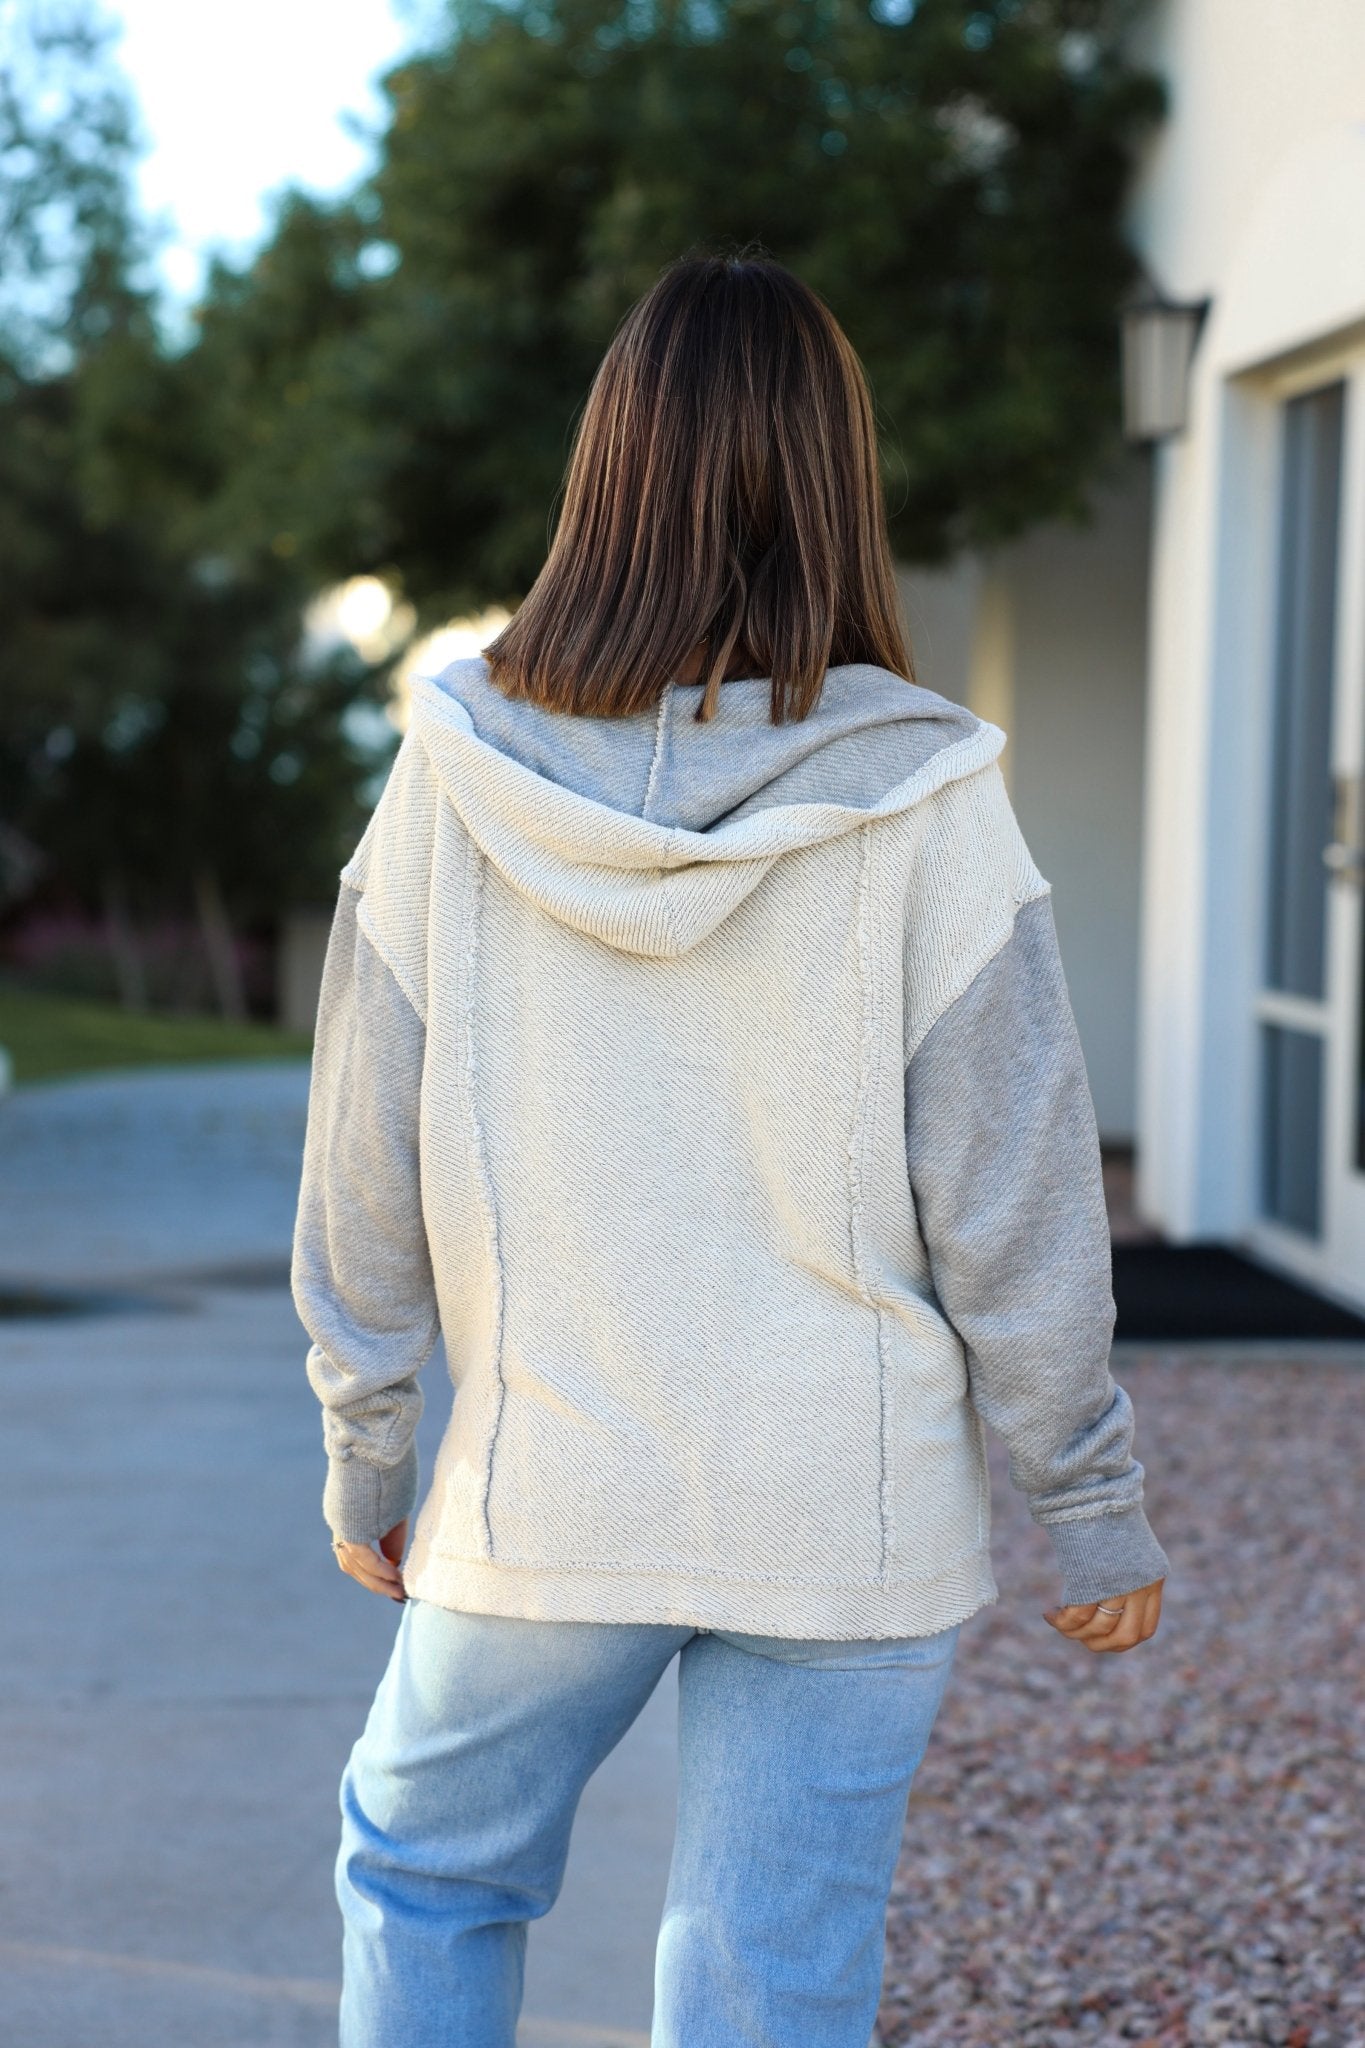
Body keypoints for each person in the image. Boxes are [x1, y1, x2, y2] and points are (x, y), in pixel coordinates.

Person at [291, 252, 1169, 2048]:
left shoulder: (453, 776)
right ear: (837, 485)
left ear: (605, 478)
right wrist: (1086, 1501)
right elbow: (1014, 1191)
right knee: (767, 1966)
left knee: (429, 1874)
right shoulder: (928, 796)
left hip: (548, 1499)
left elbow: (359, 1157)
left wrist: (367, 1436)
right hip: (842, 1514)